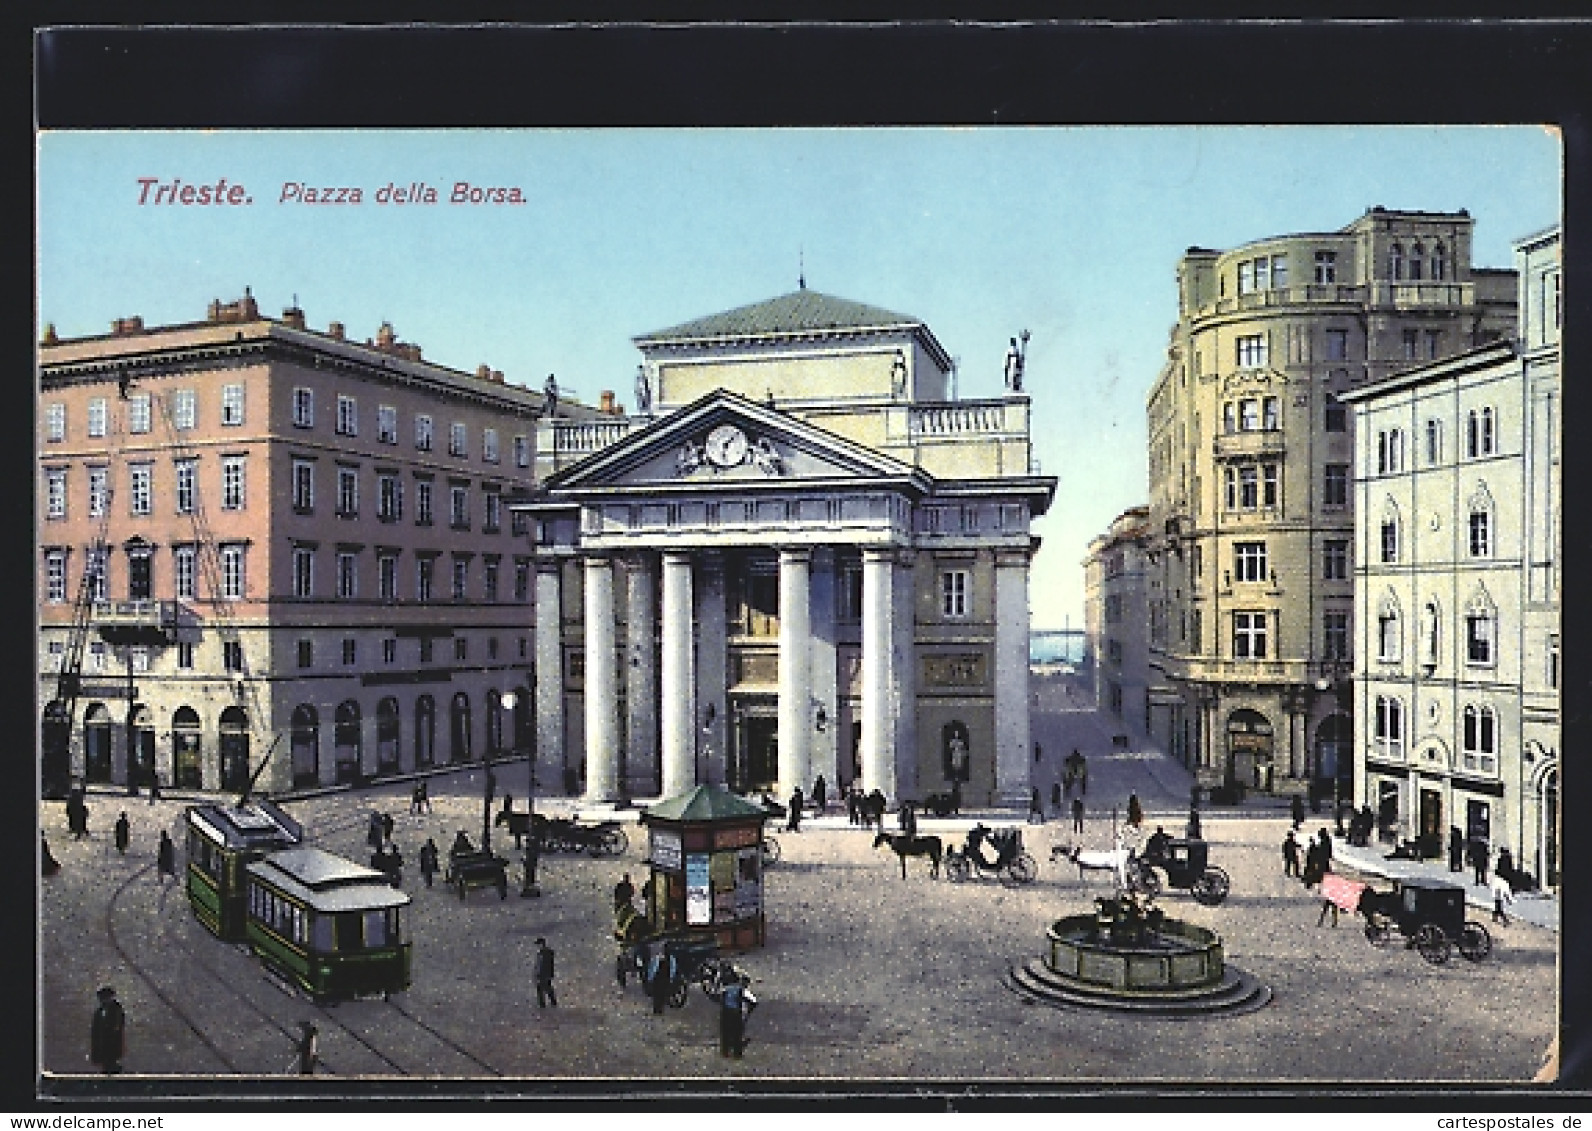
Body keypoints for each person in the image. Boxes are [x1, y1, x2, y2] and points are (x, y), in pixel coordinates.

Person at [719, 973, 757, 1058]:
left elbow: (720, 999)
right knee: (737, 1033)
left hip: (725, 1012)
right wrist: (748, 1011)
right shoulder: (741, 989)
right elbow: (753, 1001)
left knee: (725, 1032)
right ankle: (737, 1053)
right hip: (736, 1013)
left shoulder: (725, 989)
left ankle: (725, 1051)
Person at [90, 987, 125, 1074]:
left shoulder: (115, 1009)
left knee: (110, 1059)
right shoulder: (101, 1010)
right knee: (107, 1061)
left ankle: (112, 1069)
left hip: (111, 1042)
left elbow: (116, 1026)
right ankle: (108, 1069)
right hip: (103, 1042)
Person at [647, 945, 676, 1015]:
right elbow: (673, 969)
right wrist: (671, 978)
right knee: (662, 995)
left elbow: (652, 969)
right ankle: (659, 1009)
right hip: (665, 978)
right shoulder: (671, 958)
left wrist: (650, 978)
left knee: (657, 995)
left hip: (658, 979)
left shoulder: (657, 958)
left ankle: (657, 1009)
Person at [534, 937, 557, 1008]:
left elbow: (547, 965)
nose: (538, 946)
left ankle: (544, 1004)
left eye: (539, 944)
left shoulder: (546, 953)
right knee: (545, 988)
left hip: (544, 974)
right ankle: (548, 1003)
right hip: (543, 973)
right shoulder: (542, 953)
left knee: (544, 988)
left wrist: (547, 974)